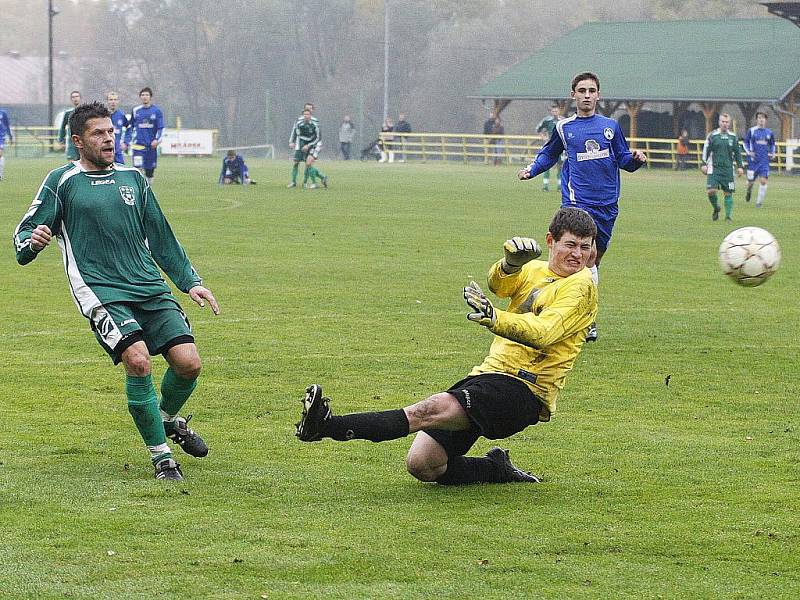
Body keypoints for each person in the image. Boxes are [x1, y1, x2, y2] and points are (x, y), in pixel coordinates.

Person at [296, 207, 599, 486]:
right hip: (489, 375)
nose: (578, 254)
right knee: (424, 465)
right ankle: (495, 468)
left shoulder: (582, 287)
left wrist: (495, 317)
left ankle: (326, 426)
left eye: (585, 247)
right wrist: (508, 265)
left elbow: (545, 332)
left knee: (428, 410)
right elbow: (502, 286)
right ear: (551, 240)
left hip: (525, 391)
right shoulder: (536, 270)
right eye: (570, 244)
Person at [13, 102, 219, 481]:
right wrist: (34, 241)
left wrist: (191, 282)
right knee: (138, 361)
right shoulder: (62, 181)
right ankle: (162, 458)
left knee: (189, 363)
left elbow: (160, 235)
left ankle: (164, 420)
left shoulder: (133, 178)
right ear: (78, 140)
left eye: (110, 132)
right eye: (98, 133)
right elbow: (23, 234)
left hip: (148, 285)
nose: (109, 139)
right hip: (102, 291)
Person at [518, 72, 646, 341]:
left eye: (591, 90)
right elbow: (549, 154)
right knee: (583, 257)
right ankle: (586, 320)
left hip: (607, 205)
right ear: (573, 95)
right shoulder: (564, 128)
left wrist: (636, 159)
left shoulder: (610, 126)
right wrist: (533, 169)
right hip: (577, 203)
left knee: (593, 261)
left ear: (598, 95)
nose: (587, 95)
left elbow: (623, 159)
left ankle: (548, 299)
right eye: (582, 90)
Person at [701, 113, 744, 221]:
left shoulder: (733, 137)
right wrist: (703, 164)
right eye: (723, 122)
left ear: (729, 123)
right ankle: (716, 208)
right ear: (719, 122)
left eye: (727, 122)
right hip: (714, 168)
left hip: (728, 169)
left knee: (728, 193)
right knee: (711, 191)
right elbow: (706, 150)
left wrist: (740, 166)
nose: (725, 124)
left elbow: (737, 152)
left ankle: (728, 217)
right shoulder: (712, 136)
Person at [125, 87, 164, 184]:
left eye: (147, 95)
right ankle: (139, 192)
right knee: (138, 170)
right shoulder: (136, 110)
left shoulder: (156, 111)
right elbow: (130, 126)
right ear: (140, 97)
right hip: (138, 145)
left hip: (151, 146)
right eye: (142, 95)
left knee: (149, 172)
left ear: (150, 97)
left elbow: (161, 128)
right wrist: (127, 140)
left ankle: (148, 190)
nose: (144, 97)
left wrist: (156, 140)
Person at [743, 111, 776, 207]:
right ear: (756, 119)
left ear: (766, 120)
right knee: (750, 183)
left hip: (764, 161)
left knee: (763, 181)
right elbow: (745, 143)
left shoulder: (769, 132)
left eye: (763, 118)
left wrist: (773, 153)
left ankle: (759, 202)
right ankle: (749, 192)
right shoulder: (752, 131)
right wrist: (750, 152)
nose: (761, 119)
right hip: (753, 162)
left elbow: (772, 144)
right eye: (759, 117)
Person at [288, 108, 327, 189]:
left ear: (311, 115)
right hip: (301, 145)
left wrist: (308, 145)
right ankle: (293, 182)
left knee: (308, 163)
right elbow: (295, 132)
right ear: (303, 115)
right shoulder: (299, 123)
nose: (306, 116)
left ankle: (308, 183)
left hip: (312, 146)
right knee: (296, 162)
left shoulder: (315, 124)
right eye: (305, 114)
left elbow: (318, 138)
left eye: (308, 114)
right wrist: (292, 142)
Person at [535, 105, 563, 190]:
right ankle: (545, 185)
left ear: (559, 111)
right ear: (551, 112)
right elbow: (538, 129)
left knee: (560, 166)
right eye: (553, 111)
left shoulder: (563, 120)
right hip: (550, 146)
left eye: (556, 111)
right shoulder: (547, 120)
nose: (555, 113)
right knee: (546, 164)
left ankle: (560, 186)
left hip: (560, 146)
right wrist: (544, 137)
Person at [57, 90, 82, 161]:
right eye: (73, 97)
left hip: (82, 142)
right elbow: (62, 127)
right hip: (72, 144)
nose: (75, 98)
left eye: (77, 96)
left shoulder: (85, 112)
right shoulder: (68, 113)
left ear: (80, 98)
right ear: (71, 99)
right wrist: (61, 140)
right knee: (72, 164)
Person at [106, 91, 129, 164]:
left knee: (121, 171)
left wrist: (126, 142)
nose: (113, 102)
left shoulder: (121, 115)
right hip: (105, 150)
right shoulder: (102, 115)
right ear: (107, 101)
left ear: (118, 101)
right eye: (111, 99)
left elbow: (129, 128)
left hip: (117, 151)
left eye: (115, 100)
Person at [0, 106, 12, 181]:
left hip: (0, 137)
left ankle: (0, 174)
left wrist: (10, 136)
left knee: (0, 154)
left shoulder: (3, 113)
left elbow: (7, 125)